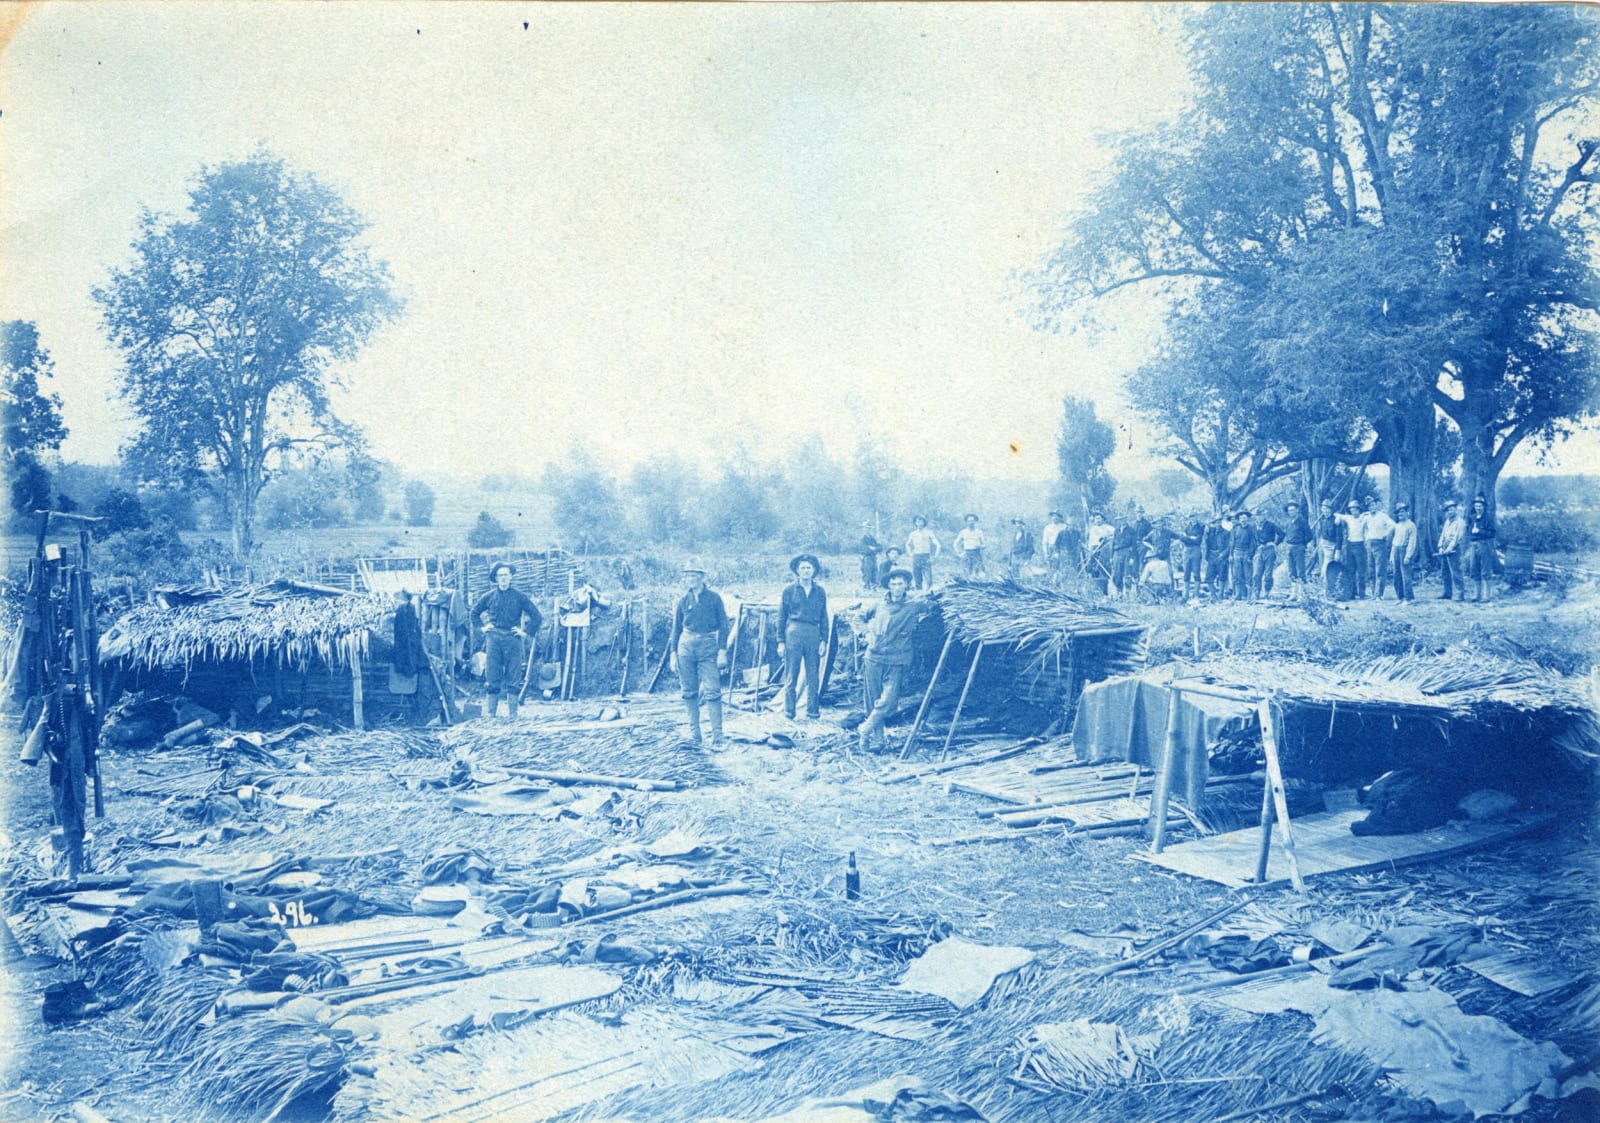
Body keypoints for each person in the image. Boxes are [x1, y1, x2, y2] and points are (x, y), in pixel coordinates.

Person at [858, 568, 930, 752]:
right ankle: (875, 740)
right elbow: (859, 618)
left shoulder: (914, 605)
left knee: (888, 701)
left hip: (898, 658)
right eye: (893, 584)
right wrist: (865, 633)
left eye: (900, 583)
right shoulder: (878, 604)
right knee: (872, 700)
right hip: (873, 656)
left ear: (906, 585)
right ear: (888, 586)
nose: (897, 587)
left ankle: (865, 728)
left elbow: (932, 603)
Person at [669, 561, 730, 747]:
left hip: (708, 645)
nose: (691, 578)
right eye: (688, 575)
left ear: (702, 577)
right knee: (688, 692)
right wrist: (673, 654)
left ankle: (718, 737)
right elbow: (676, 628)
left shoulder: (714, 598)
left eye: (694, 575)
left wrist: (722, 651)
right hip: (685, 646)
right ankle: (695, 735)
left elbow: (724, 625)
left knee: (712, 691)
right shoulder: (683, 600)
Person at [472, 563, 543, 721]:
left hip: (513, 639)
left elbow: (536, 616)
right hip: (494, 638)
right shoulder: (489, 596)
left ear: (511, 576)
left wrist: (525, 633)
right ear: (496, 579)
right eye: (500, 575)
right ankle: (491, 715)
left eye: (506, 574)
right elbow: (474, 613)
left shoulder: (519, 596)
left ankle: (513, 715)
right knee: (492, 675)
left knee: (514, 675)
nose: (503, 578)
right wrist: (483, 628)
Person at [777, 554, 828, 721]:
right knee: (791, 674)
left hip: (813, 633)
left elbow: (824, 617)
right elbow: (781, 616)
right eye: (803, 568)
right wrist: (781, 642)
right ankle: (789, 712)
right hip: (794, 633)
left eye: (809, 568)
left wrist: (823, 640)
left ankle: (813, 712)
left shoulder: (819, 591)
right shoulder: (789, 590)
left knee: (813, 675)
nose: (806, 571)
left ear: (814, 571)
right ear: (797, 571)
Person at [390, 589, 428, 724]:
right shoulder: (404, 609)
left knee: (410, 678)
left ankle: (413, 713)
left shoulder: (406, 608)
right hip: (406, 648)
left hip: (407, 648)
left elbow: (407, 632)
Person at [1363, 495, 1396, 599]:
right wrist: (1365, 538)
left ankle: (1379, 594)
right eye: (1369, 506)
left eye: (1373, 505)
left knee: (1380, 570)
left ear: (1376, 505)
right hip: (1369, 544)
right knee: (1371, 569)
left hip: (1380, 543)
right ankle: (1373, 594)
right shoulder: (1367, 517)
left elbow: (1393, 525)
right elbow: (1361, 527)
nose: (1371, 507)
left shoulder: (1382, 516)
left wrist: (1385, 534)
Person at [1465, 494, 1496, 603]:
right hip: (1474, 545)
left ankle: (1486, 595)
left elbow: (1492, 533)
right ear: (1474, 507)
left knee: (1485, 570)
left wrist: (1480, 531)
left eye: (1480, 506)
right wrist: (1471, 533)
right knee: (1474, 569)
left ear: (1484, 507)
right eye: (1476, 506)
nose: (1478, 508)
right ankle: (1476, 594)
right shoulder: (1472, 518)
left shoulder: (1487, 519)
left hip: (1484, 545)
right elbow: (1468, 530)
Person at [1436, 499, 1466, 601]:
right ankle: (1447, 593)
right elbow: (1443, 535)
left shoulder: (1460, 522)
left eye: (1452, 509)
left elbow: (1457, 537)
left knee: (1456, 572)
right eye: (1448, 510)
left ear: (1456, 510)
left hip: (1454, 550)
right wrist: (1440, 547)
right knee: (1445, 572)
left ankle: (1460, 594)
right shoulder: (1447, 521)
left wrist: (1449, 548)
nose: (1450, 512)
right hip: (1444, 549)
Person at [1315, 498, 1345, 596]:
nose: (1325, 511)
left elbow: (1339, 537)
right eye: (1323, 509)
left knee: (1327, 567)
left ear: (1331, 510)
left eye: (1327, 509)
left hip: (1332, 546)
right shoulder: (1323, 519)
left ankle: (1327, 590)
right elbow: (1322, 532)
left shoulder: (1336, 521)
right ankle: (1326, 589)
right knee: (1323, 565)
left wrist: (1338, 551)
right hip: (1323, 545)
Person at [1391, 502, 1419, 602]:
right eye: (1398, 513)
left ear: (1407, 512)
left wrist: (1408, 555)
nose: (1400, 514)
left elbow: (1412, 541)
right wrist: (1391, 555)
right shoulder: (1397, 525)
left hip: (1404, 550)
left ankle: (1409, 598)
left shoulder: (1411, 525)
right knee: (1396, 575)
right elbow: (1394, 541)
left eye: (1402, 512)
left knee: (1405, 575)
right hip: (1396, 550)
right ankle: (1400, 597)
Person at [905, 516, 941, 591]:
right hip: (916, 557)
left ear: (924, 522)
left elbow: (937, 544)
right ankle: (919, 595)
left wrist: (935, 557)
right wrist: (910, 554)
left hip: (926, 557)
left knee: (928, 580)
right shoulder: (913, 534)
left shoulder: (929, 533)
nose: (919, 523)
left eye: (921, 521)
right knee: (917, 578)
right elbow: (907, 544)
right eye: (917, 521)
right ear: (915, 523)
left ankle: (928, 594)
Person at [1342, 499, 1368, 599]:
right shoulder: (1348, 518)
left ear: (1359, 510)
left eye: (1355, 509)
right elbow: (1337, 515)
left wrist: (1366, 513)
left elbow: (1372, 514)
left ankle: (1362, 593)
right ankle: (1352, 593)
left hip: (1360, 545)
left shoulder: (1363, 518)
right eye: (1351, 510)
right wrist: (1337, 519)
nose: (1353, 512)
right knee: (1350, 570)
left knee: (1361, 570)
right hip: (1350, 545)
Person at [1229, 509, 1258, 600]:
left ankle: (1249, 595)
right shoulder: (1235, 529)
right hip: (1236, 553)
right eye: (1241, 518)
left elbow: (1253, 543)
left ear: (1247, 519)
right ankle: (1238, 594)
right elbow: (1231, 542)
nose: (1243, 519)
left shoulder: (1251, 529)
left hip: (1246, 553)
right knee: (1237, 575)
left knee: (1248, 574)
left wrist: (1250, 555)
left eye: (1244, 518)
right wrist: (1231, 554)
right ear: (1239, 519)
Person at [1283, 499, 1313, 589]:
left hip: (1299, 547)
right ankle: (1294, 593)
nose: (1291, 512)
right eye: (1289, 510)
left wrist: (1302, 544)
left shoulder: (1302, 521)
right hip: (1289, 547)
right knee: (1291, 571)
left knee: (1300, 570)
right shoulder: (1288, 522)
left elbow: (1309, 535)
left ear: (1297, 510)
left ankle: (1302, 593)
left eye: (1292, 510)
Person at [1252, 510, 1281, 599]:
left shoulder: (1270, 525)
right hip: (1259, 550)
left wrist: (1275, 543)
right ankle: (1257, 591)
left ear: (1264, 516)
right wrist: (1256, 546)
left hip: (1269, 550)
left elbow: (1282, 533)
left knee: (1268, 573)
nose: (1259, 517)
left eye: (1260, 515)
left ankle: (1267, 592)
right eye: (1257, 516)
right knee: (1257, 573)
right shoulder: (1254, 526)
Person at [1202, 513, 1231, 599]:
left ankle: (1221, 595)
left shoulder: (1226, 533)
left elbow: (1229, 546)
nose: (1217, 524)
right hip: (1211, 556)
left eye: (1218, 522)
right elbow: (1205, 542)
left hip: (1221, 556)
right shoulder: (1209, 532)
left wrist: (1223, 555)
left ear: (1221, 522)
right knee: (1209, 577)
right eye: (1215, 522)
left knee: (1222, 576)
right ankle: (1213, 595)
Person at [1180, 513, 1205, 595]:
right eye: (1191, 517)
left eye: (1194, 516)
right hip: (1187, 550)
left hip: (1196, 550)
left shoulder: (1201, 527)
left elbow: (1198, 540)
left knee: (1196, 572)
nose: (1192, 519)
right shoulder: (1187, 527)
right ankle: (1186, 594)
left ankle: (1196, 594)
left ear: (1197, 517)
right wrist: (1190, 537)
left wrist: (1187, 537)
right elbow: (1182, 539)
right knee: (1186, 572)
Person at [1041, 510, 1069, 582]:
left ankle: (1061, 582)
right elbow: (1044, 541)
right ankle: (1052, 582)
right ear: (1051, 517)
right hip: (1051, 547)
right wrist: (1045, 553)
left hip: (1062, 548)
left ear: (1060, 518)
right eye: (1053, 516)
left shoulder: (1064, 527)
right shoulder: (1047, 527)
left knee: (1062, 566)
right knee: (1051, 566)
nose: (1055, 518)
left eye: (1057, 516)